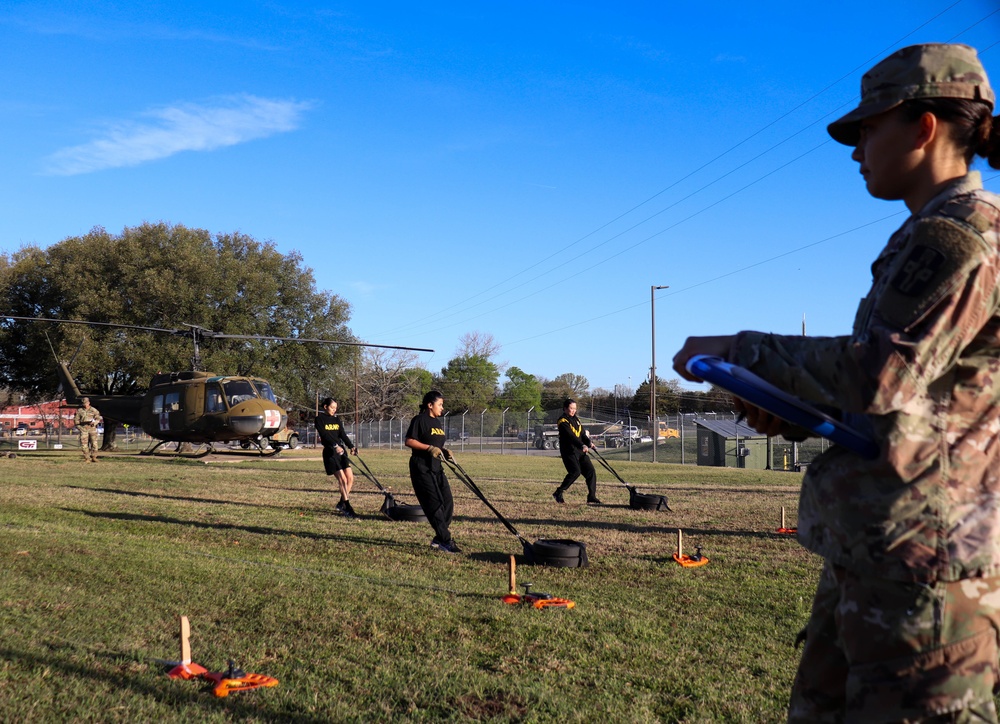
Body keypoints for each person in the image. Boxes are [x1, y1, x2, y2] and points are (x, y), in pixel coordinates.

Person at [673, 43, 1000, 723]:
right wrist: (794, 411)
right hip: (885, 551)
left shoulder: (959, 237)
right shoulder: (926, 234)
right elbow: (919, 401)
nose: (855, 151)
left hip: (926, 571)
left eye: (867, 129)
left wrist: (741, 350)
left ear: (924, 127)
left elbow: (884, 373)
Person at [404, 390, 460, 553]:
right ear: (430, 405)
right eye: (440, 404)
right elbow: (409, 441)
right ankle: (445, 540)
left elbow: (435, 444)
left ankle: (439, 537)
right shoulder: (419, 420)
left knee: (447, 501)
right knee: (434, 504)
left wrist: (443, 451)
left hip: (437, 466)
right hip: (421, 467)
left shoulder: (437, 423)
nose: (442, 408)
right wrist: (429, 448)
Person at [314, 398, 358, 518]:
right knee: (342, 480)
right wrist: (335, 445)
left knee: (350, 478)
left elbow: (342, 434)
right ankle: (347, 507)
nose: (334, 410)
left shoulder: (336, 419)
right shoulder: (319, 419)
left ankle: (341, 503)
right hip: (330, 452)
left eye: (335, 408)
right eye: (332, 407)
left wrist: (351, 446)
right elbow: (324, 435)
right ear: (325, 407)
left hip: (341, 451)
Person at [552, 398, 601, 505]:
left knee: (590, 471)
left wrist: (589, 443)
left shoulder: (576, 420)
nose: (573, 410)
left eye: (575, 408)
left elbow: (582, 434)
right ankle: (558, 492)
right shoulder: (562, 421)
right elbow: (571, 436)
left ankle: (591, 496)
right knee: (575, 472)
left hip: (580, 451)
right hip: (569, 451)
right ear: (565, 408)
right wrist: (582, 445)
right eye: (571, 408)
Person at [74, 397, 102, 463]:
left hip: (92, 428)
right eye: (84, 403)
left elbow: (98, 418)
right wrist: (79, 427)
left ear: (89, 403)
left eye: (86, 403)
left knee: (94, 443)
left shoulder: (93, 410)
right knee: (84, 444)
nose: (85, 404)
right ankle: (87, 458)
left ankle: (94, 457)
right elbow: (76, 420)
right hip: (83, 428)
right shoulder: (80, 411)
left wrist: (94, 423)